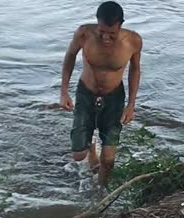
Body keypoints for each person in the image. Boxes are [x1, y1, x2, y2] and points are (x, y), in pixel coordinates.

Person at [59, 1, 142, 188]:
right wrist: (64, 91)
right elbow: (70, 56)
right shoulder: (84, 34)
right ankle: (90, 147)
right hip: (86, 93)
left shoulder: (133, 41)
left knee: (109, 158)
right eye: (102, 31)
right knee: (78, 154)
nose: (105, 37)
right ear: (97, 22)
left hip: (114, 97)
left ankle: (102, 192)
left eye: (111, 34)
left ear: (120, 25)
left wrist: (131, 105)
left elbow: (135, 70)